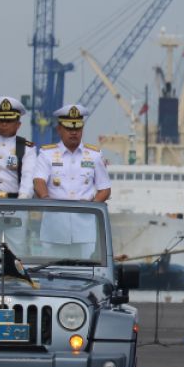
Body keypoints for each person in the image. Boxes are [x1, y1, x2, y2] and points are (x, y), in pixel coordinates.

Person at [32, 104, 111, 259]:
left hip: (84, 229)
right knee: (52, 274)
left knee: (85, 273)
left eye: (78, 129)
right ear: (59, 129)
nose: (74, 133)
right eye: (69, 129)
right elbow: (38, 181)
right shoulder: (47, 154)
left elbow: (105, 189)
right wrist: (46, 200)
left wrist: (92, 207)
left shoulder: (94, 155)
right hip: (55, 228)